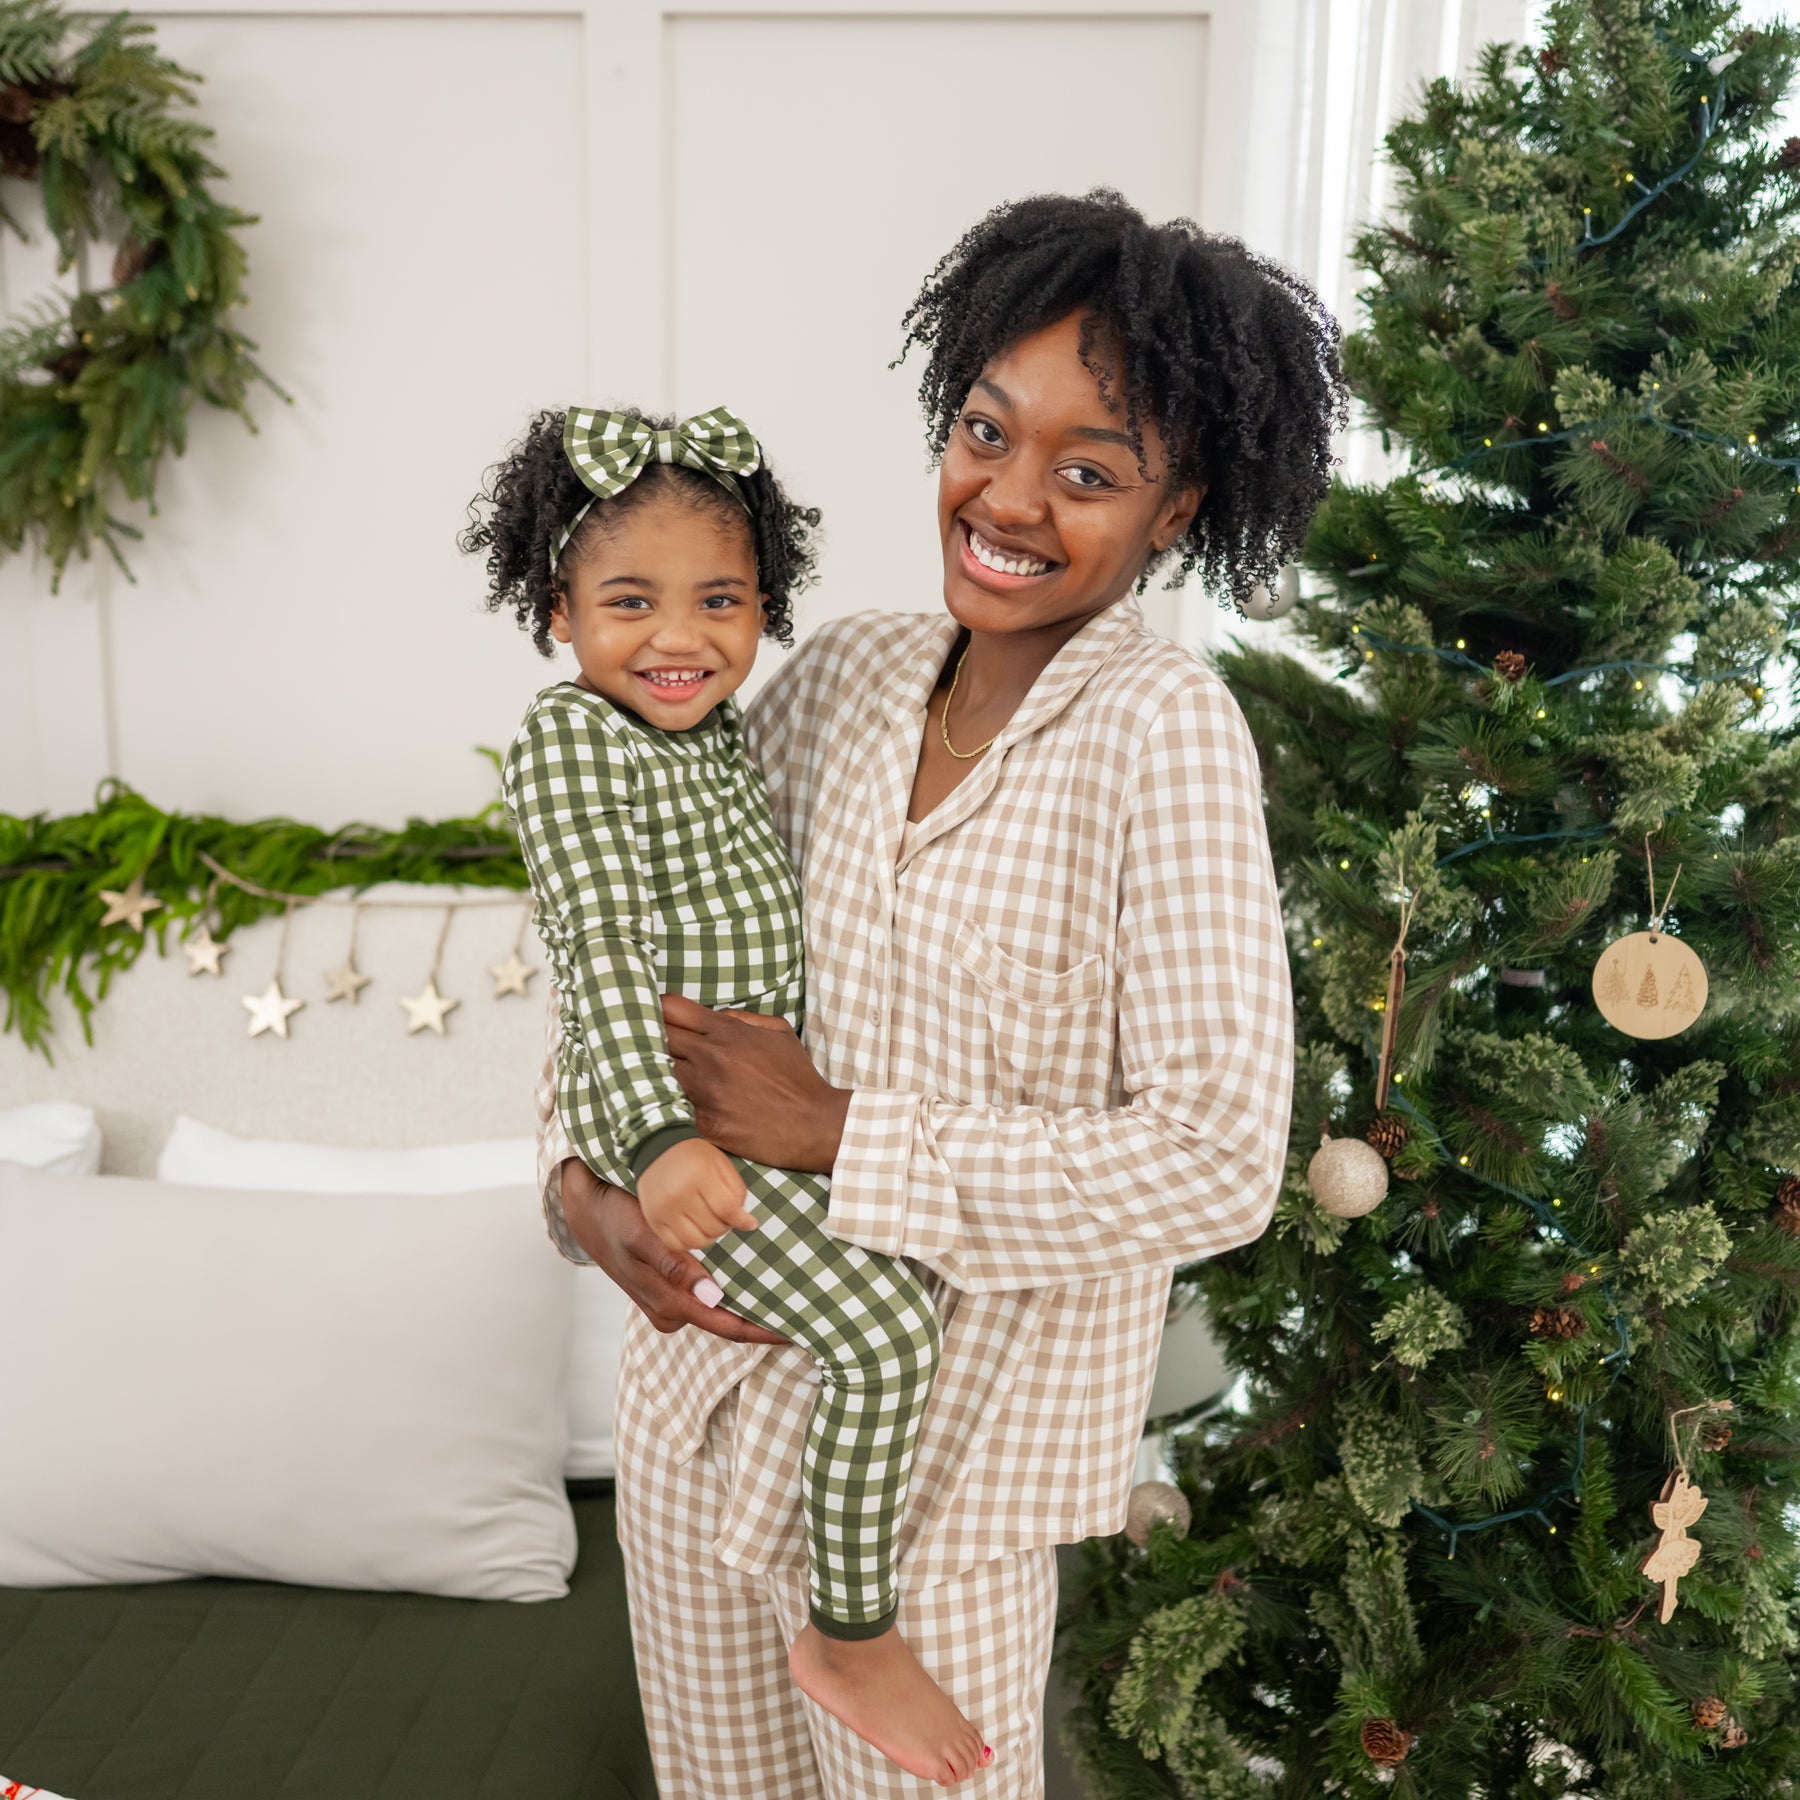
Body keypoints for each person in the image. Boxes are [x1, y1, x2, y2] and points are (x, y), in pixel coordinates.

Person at [542, 190, 1348, 1799]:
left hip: (942, 1501)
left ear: (1178, 506)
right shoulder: (834, 671)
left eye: (1091, 471)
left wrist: (844, 1130)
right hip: (695, 1413)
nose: (1012, 498)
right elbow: (626, 934)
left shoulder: (1163, 735)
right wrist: (580, 1184)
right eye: (988, 430)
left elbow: (1217, 1154)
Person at [467, 406, 991, 1784]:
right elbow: (600, 955)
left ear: (768, 603)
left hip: (734, 1117)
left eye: (720, 599)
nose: (678, 635)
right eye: (628, 602)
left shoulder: (718, 737)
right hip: (670, 1122)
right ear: (556, 611)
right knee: (883, 1330)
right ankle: (852, 1628)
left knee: (885, 1313)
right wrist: (646, 1147)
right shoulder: (574, 740)